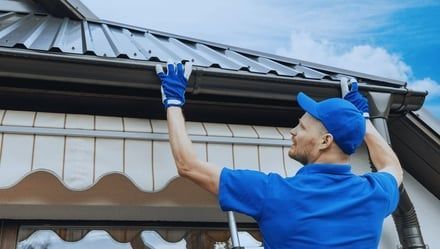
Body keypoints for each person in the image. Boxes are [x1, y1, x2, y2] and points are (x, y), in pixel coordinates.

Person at [155, 61, 402, 249]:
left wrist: (173, 102)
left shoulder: (274, 194)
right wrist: (362, 121)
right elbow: (392, 166)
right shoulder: (374, 194)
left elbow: (188, 165)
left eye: (302, 127)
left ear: (325, 141)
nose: (293, 132)